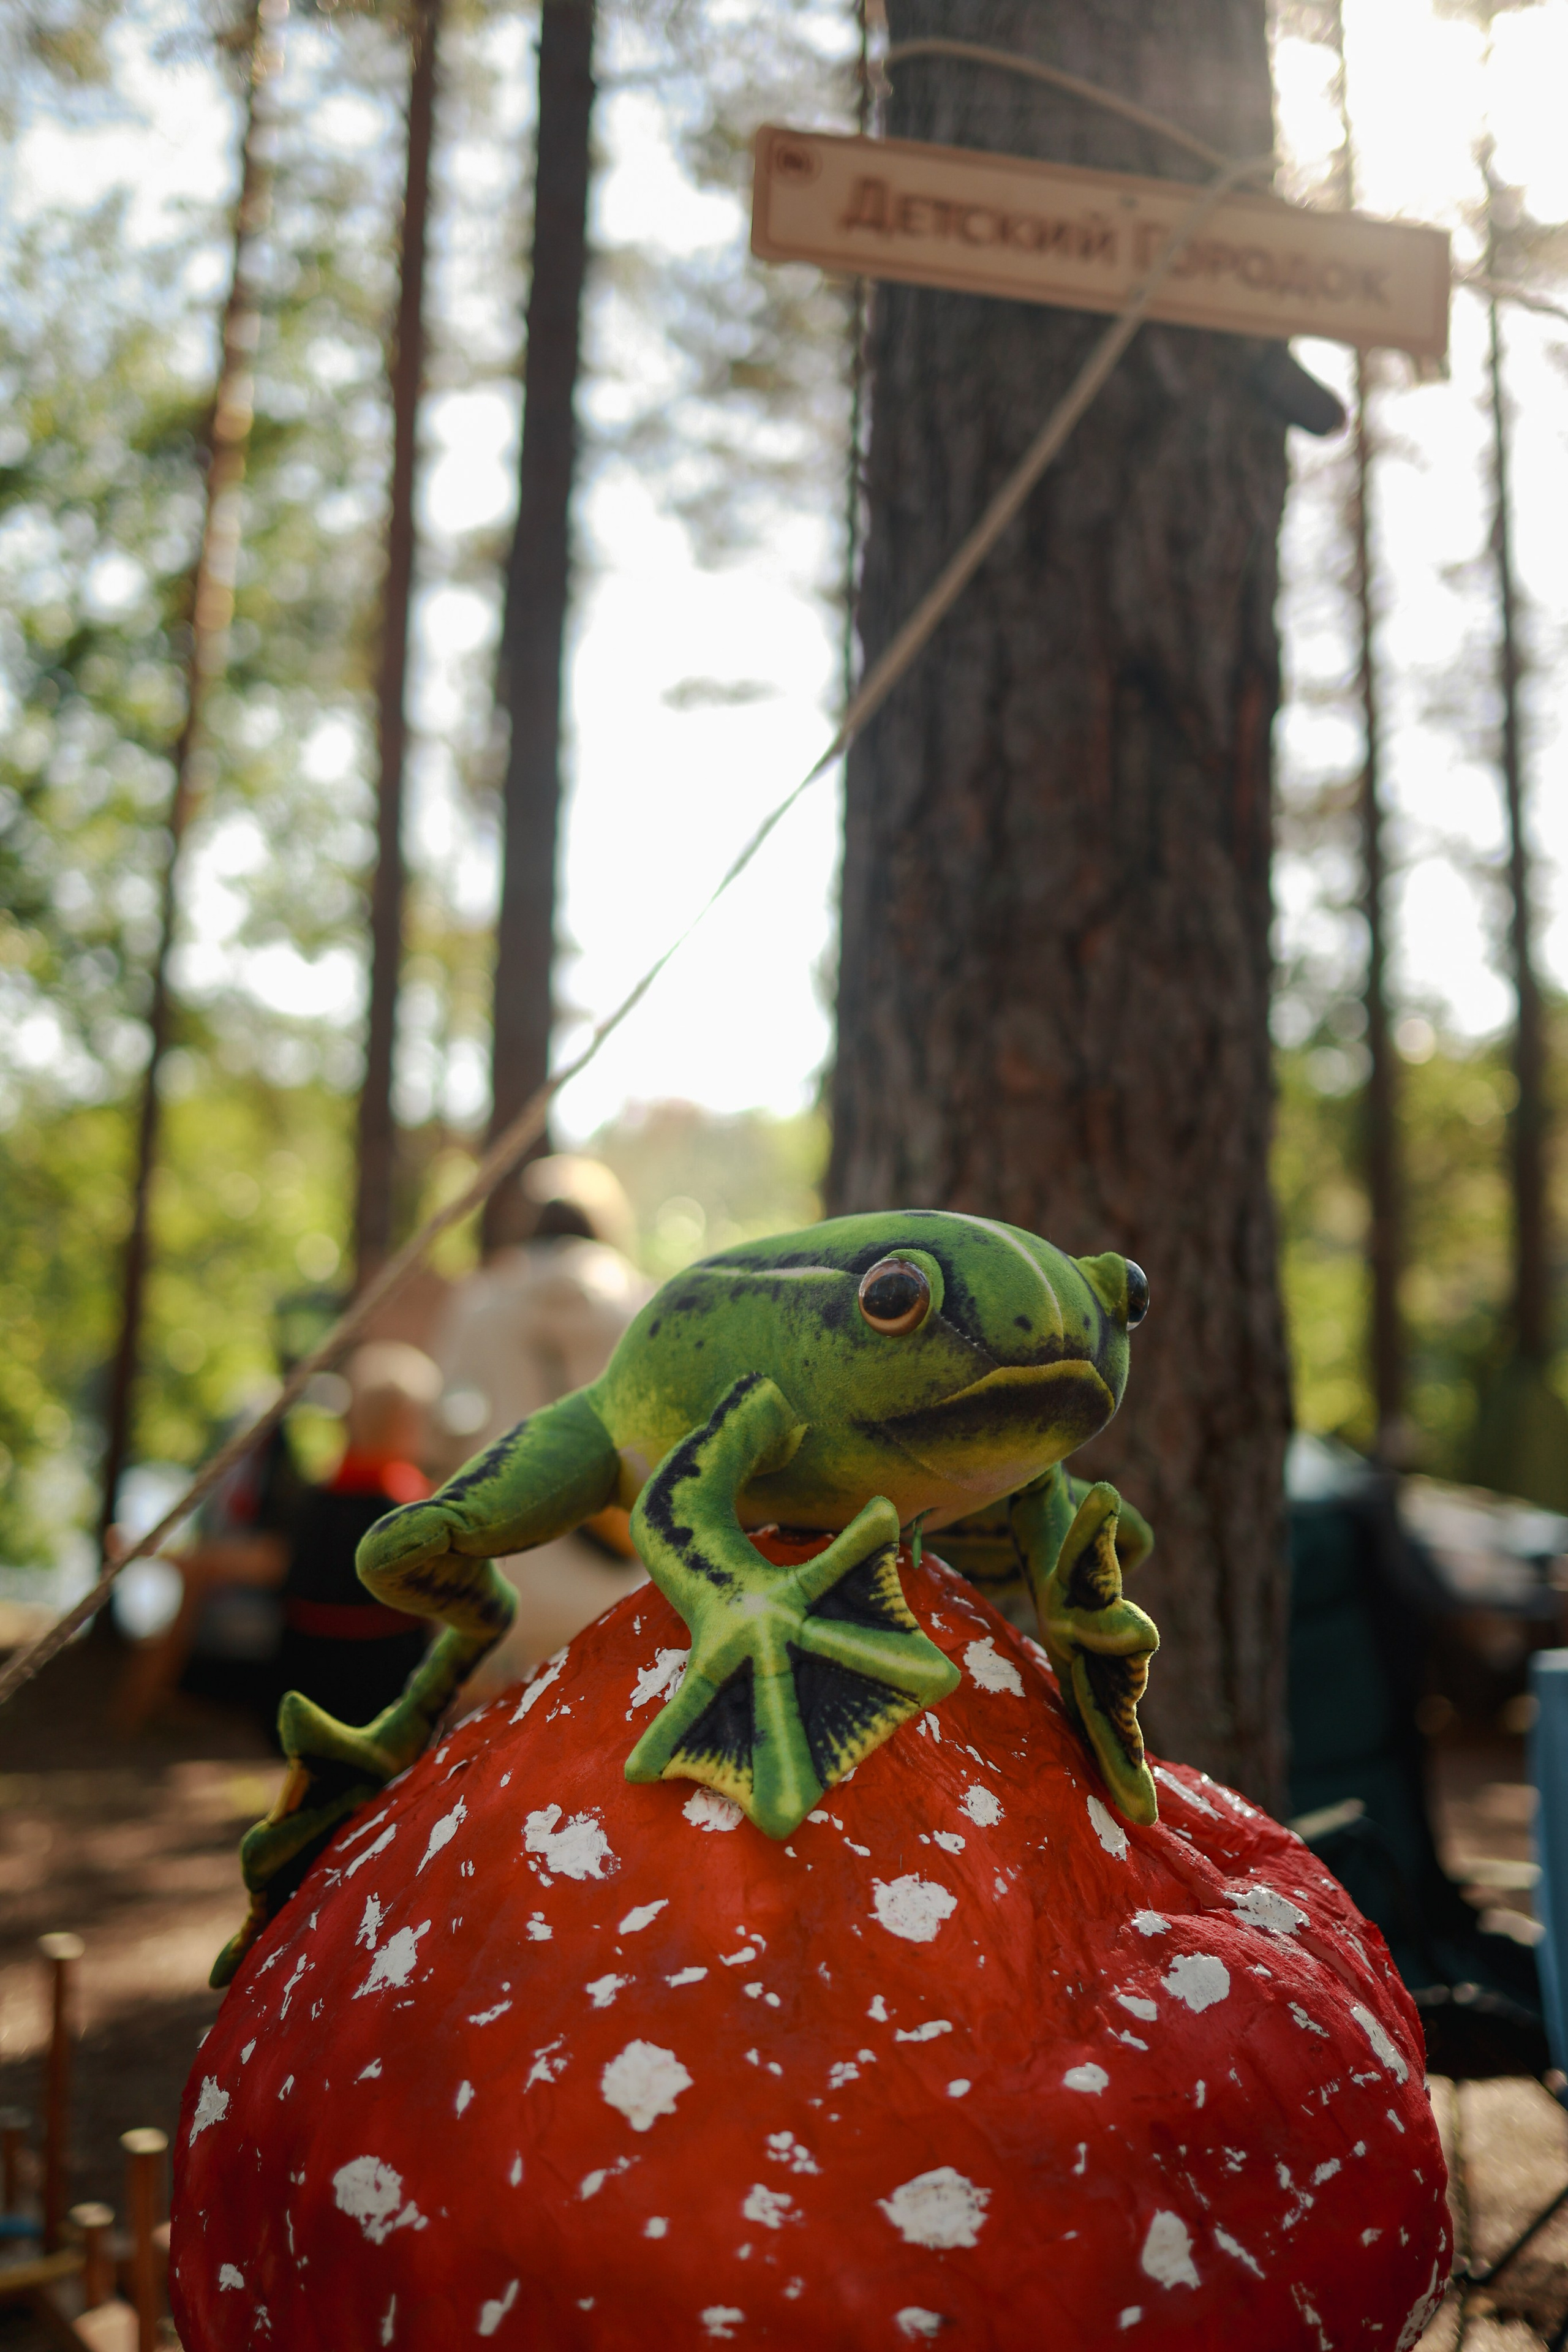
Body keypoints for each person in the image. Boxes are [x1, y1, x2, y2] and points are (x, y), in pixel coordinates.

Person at [429, 1154, 652, 1700]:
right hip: (622, 1593)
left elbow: (438, 1432)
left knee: (482, 1770)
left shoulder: (480, 1302)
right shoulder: (647, 1306)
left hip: (498, 1596)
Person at [274, 1342, 442, 1727]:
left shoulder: (316, 1497)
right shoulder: (415, 1507)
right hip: (384, 1689)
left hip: (305, 1682)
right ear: (409, 1423)